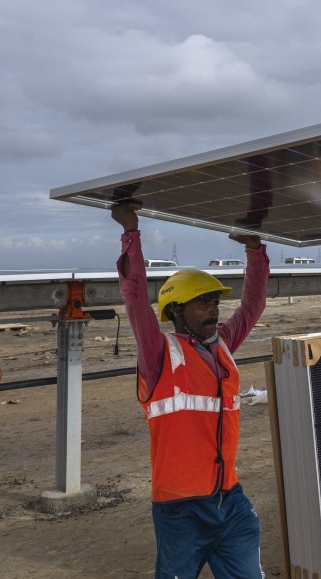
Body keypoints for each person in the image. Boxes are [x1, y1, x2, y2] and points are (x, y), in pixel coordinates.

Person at [112, 201, 270, 579]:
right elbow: (135, 301)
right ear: (177, 311)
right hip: (181, 509)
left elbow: (253, 305)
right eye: (204, 302)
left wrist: (255, 250)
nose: (214, 309)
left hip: (229, 501)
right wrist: (130, 233)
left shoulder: (223, 345)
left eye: (215, 301)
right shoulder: (159, 355)